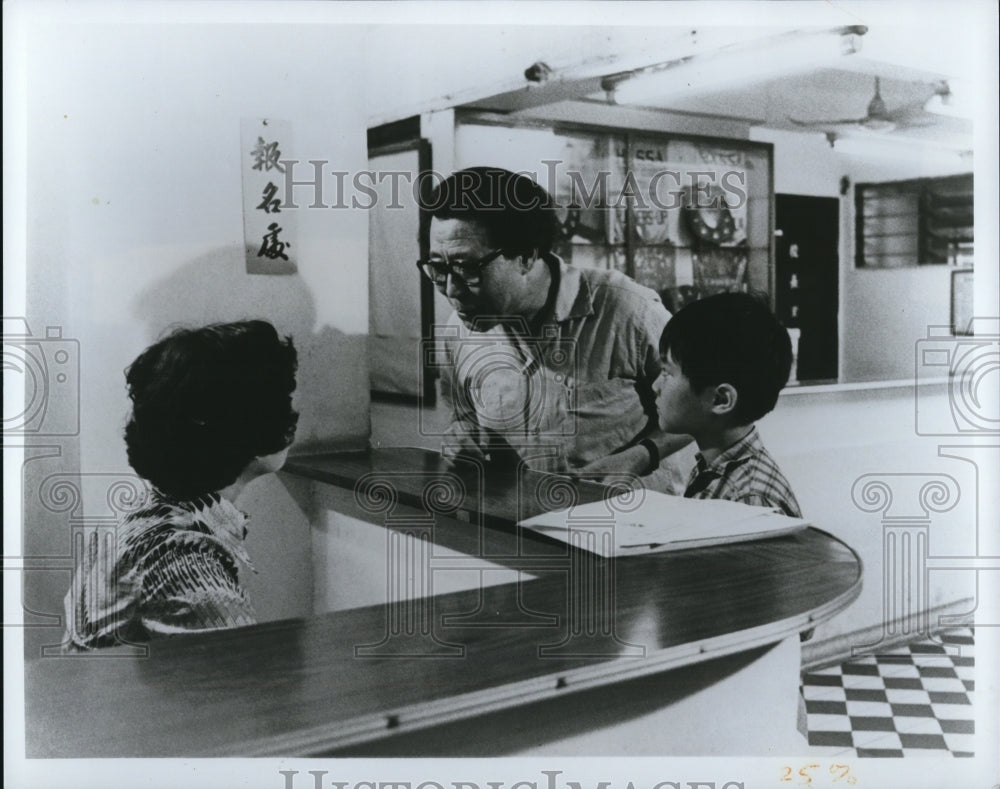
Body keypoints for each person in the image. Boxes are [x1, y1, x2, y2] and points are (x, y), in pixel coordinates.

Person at [421, 166, 692, 485]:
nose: (451, 290)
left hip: (628, 520)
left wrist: (641, 455)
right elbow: (463, 418)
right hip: (519, 524)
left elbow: (700, 405)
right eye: (438, 268)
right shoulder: (460, 330)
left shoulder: (628, 308)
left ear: (525, 256)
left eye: (468, 268)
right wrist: (463, 438)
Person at [62, 320, 299, 650]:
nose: (292, 413)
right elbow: (238, 683)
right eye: (282, 400)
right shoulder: (184, 558)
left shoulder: (145, 509)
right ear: (250, 427)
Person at [653, 291, 802, 517]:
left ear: (721, 400)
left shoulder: (749, 501)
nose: (655, 385)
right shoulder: (712, 469)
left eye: (667, 373)